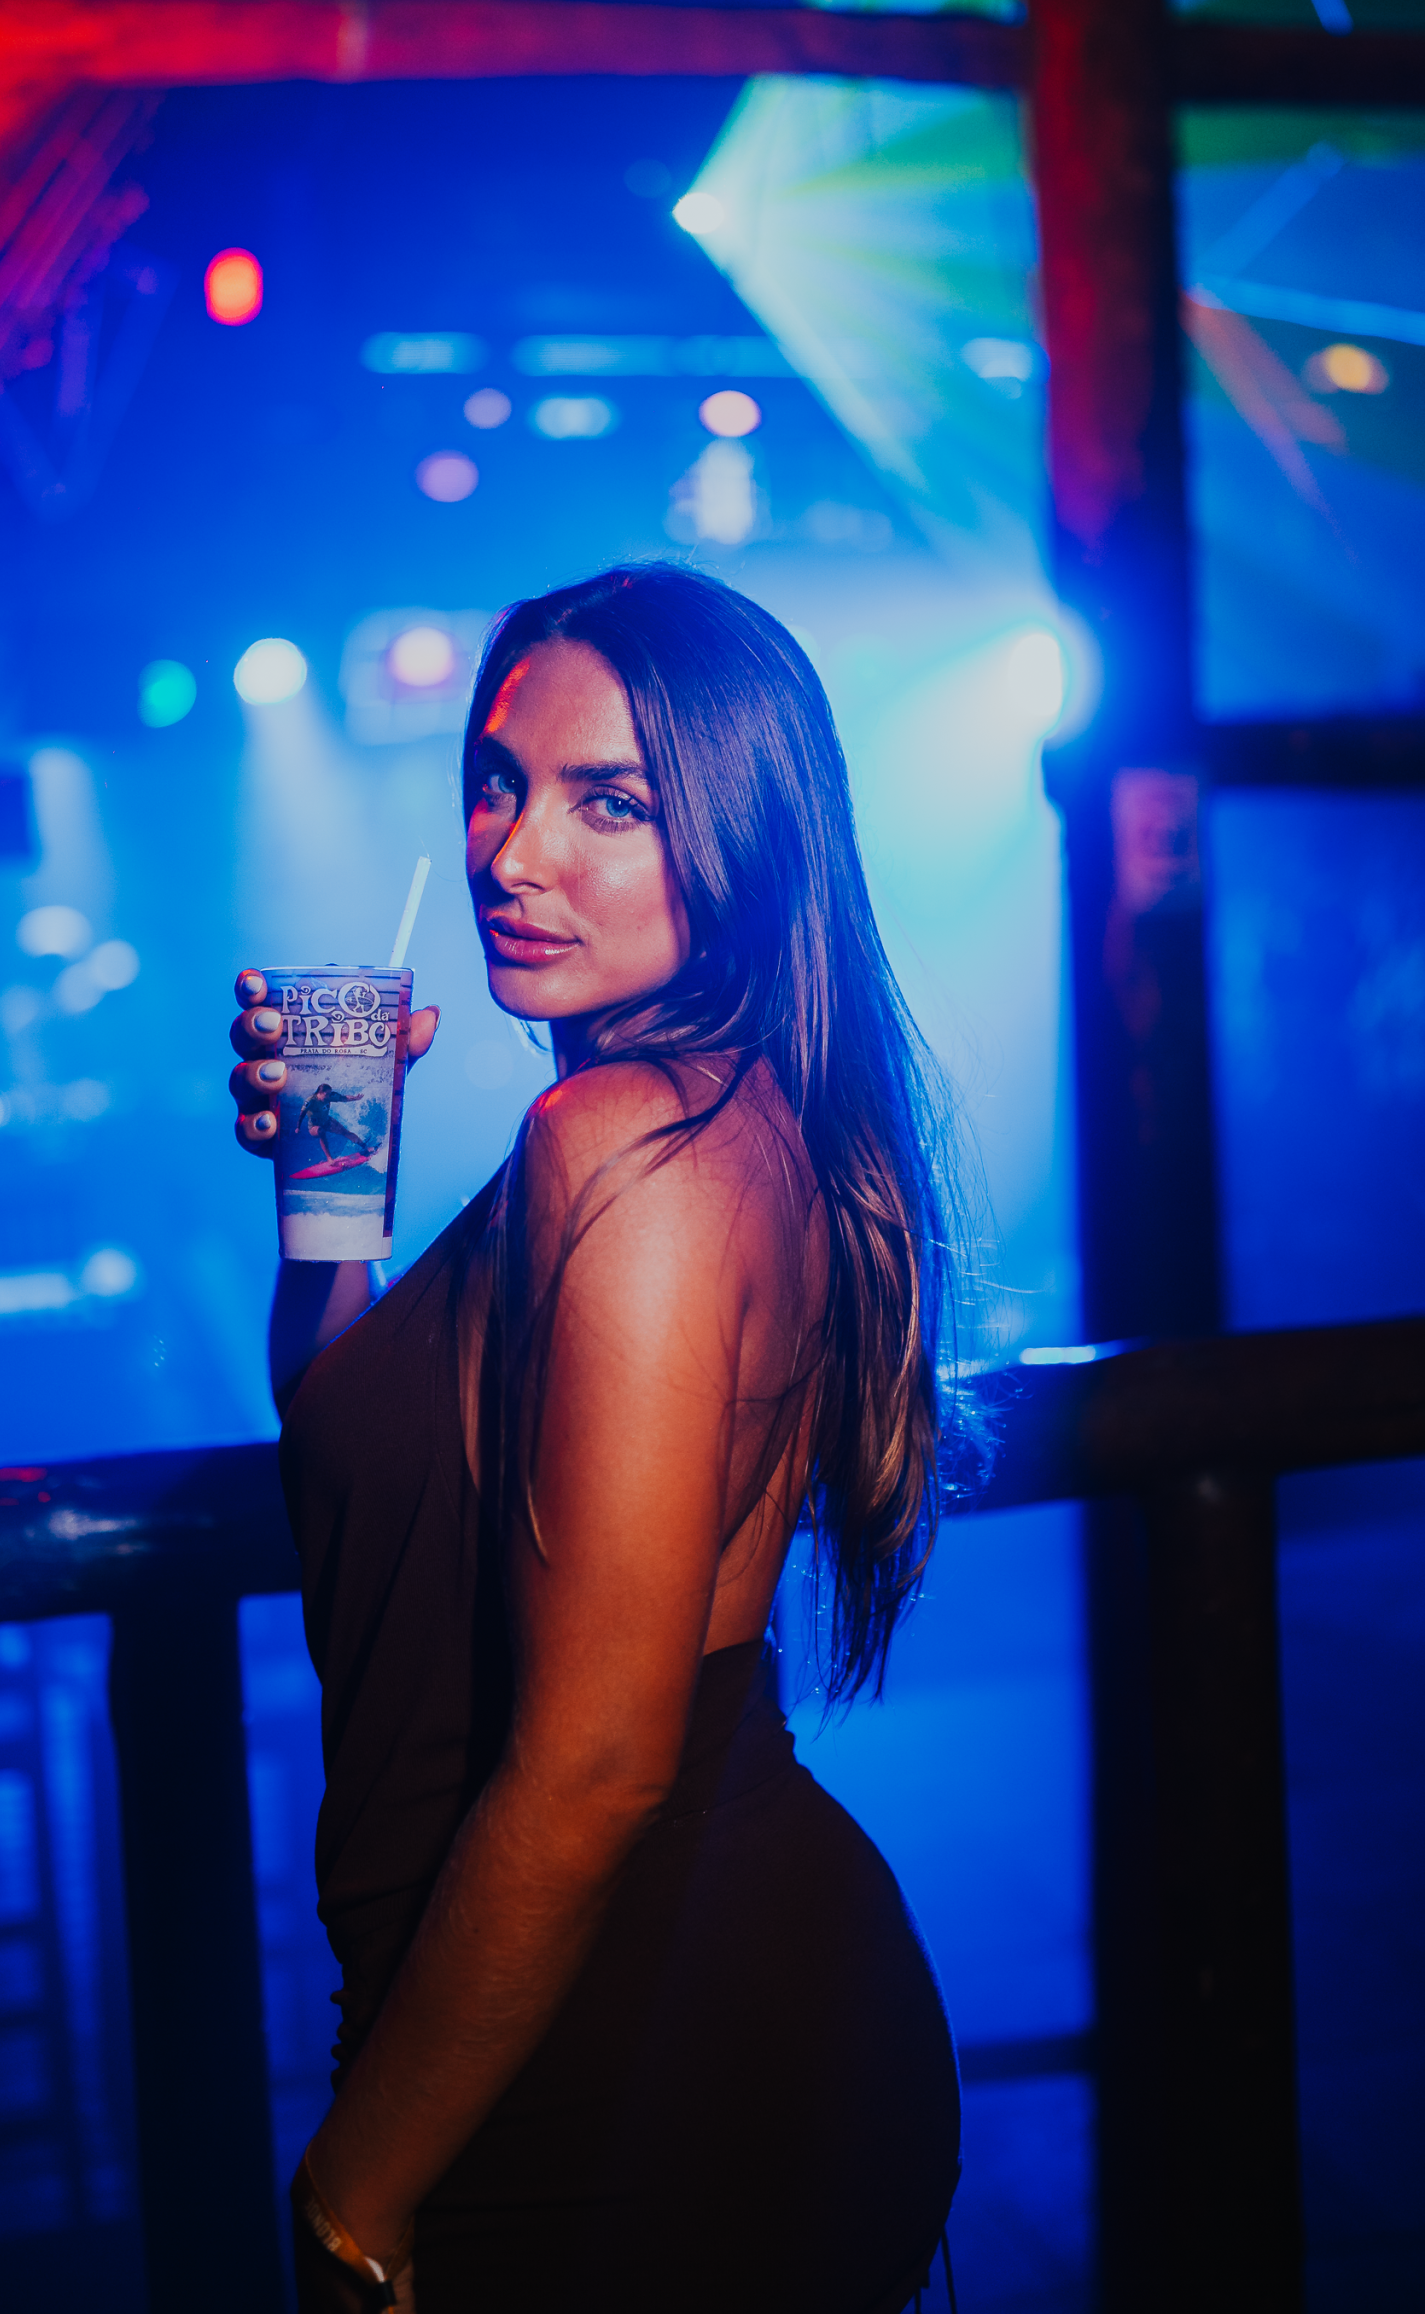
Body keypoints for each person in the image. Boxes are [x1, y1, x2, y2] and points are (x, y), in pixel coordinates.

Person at [228, 565, 963, 2313]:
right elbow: (343, 1419)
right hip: (667, 2002)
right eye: (497, 783)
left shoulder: (623, 1147)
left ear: (741, 832)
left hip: (632, 2049)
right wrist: (328, 1186)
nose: (511, 851)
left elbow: (597, 1764)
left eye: (606, 802)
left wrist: (355, 2196)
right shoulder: (731, 1118)